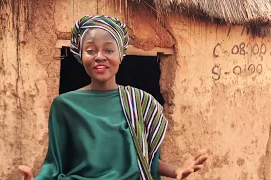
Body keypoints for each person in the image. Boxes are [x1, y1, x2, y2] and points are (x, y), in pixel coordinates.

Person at [18, 15, 207, 180]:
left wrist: (177, 170)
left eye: (108, 50)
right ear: (80, 55)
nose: (100, 56)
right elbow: (53, 164)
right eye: (91, 50)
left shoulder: (141, 103)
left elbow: (145, 161)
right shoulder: (64, 106)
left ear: (121, 55)